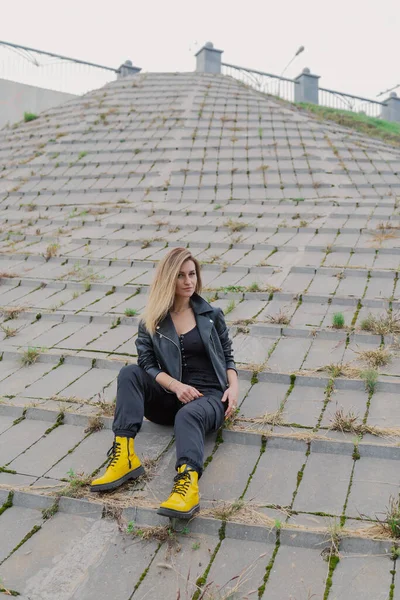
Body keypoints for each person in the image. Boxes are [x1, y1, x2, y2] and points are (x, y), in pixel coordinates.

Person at [90, 247, 238, 519]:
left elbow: (228, 355)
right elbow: (146, 363)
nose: (188, 281)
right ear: (168, 279)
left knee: (188, 415)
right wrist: (176, 387)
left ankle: (188, 484)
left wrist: (234, 388)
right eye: (180, 275)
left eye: (192, 274)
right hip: (171, 396)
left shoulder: (211, 315)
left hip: (208, 397)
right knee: (129, 373)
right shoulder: (153, 320)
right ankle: (124, 457)